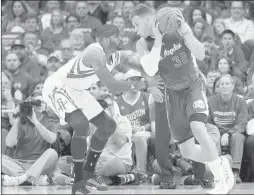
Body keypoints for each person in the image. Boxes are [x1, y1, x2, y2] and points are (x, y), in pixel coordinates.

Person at [42, 24, 160, 194]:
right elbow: (111, 86)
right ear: (105, 39)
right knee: (81, 125)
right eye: (117, 36)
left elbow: (136, 62)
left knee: (108, 126)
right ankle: (78, 182)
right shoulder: (95, 53)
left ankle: (88, 174)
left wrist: (152, 72)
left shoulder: (116, 55)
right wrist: (145, 83)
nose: (121, 38)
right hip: (57, 87)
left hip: (77, 91)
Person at [129, 4, 234, 194]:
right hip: (172, 96)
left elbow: (201, 54)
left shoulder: (177, 29)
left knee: (198, 127)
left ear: (148, 20)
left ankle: (220, 180)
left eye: (136, 24)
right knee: (187, 152)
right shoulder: (143, 44)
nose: (136, 30)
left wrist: (187, 32)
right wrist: (159, 40)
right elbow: (151, 69)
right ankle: (222, 163)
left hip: (192, 86)